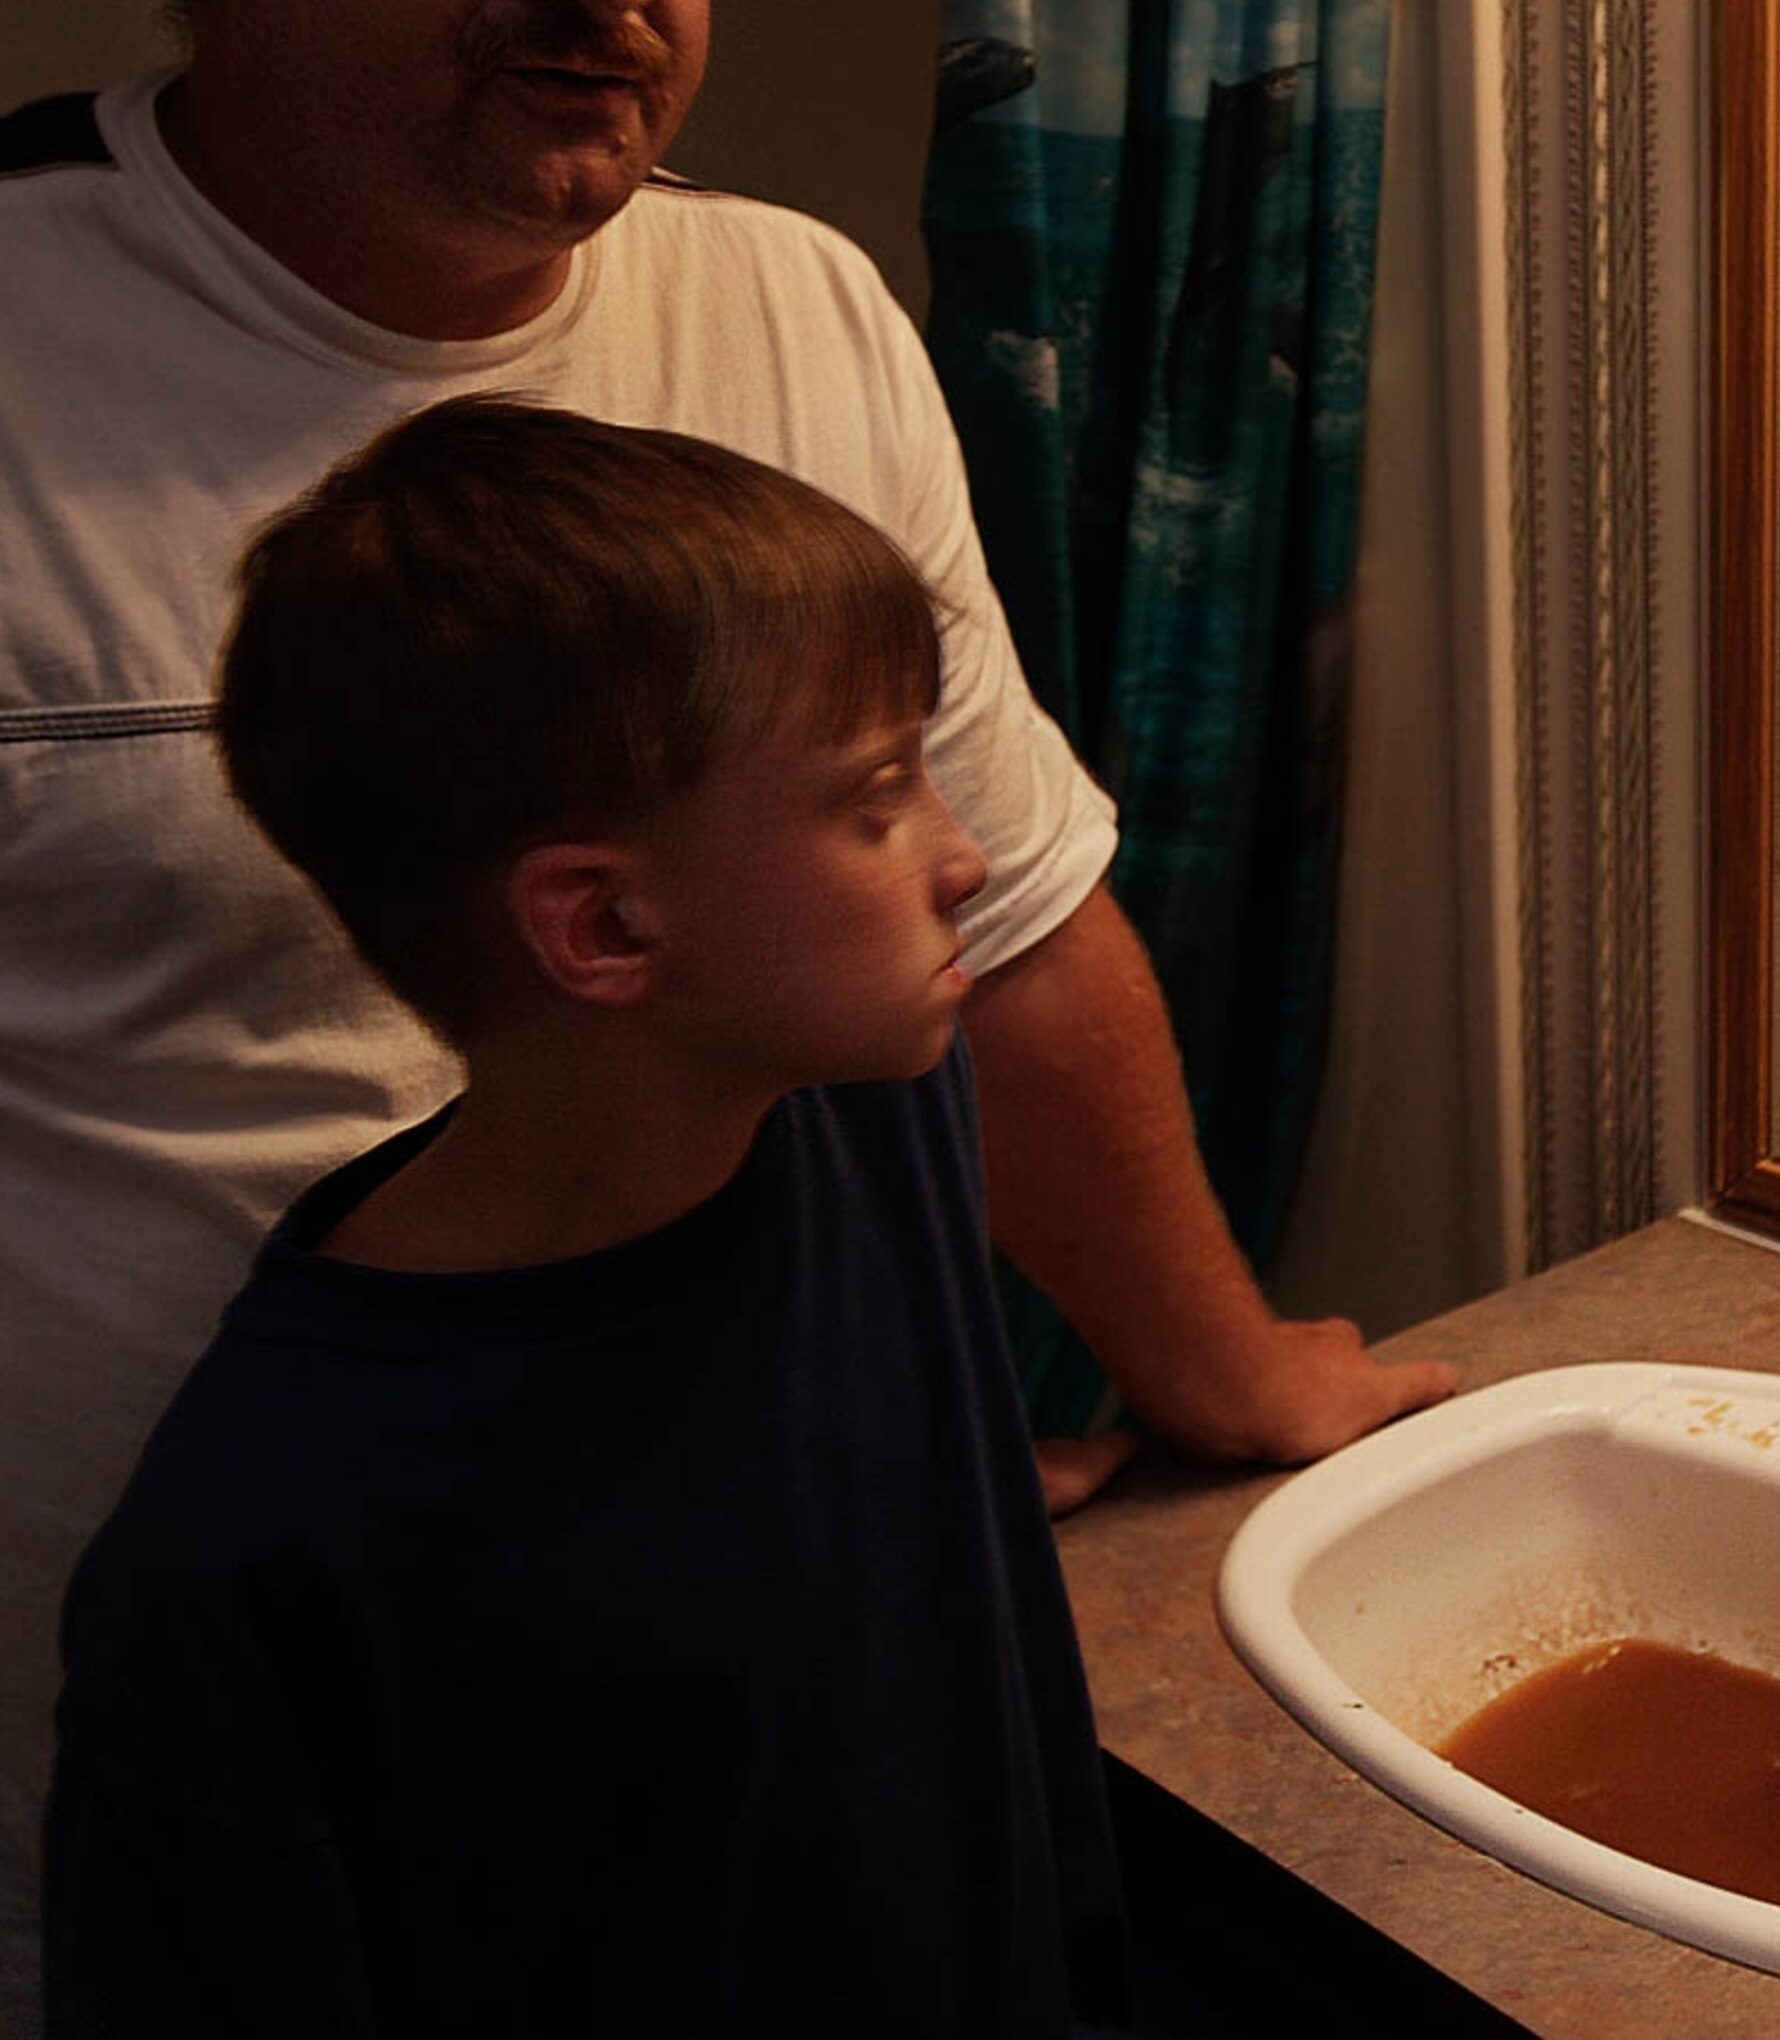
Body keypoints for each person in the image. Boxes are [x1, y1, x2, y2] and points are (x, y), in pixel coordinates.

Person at [0, 0, 1450, 1994]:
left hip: (761, 1672)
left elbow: (1028, 936)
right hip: (264, 1756)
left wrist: (1209, 1377)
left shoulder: (796, 309)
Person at [49, 398, 1137, 2034]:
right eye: (876, 796)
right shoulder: (255, 1547)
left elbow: (985, 1714)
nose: (963, 858)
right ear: (607, 922)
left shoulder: (870, 1107)